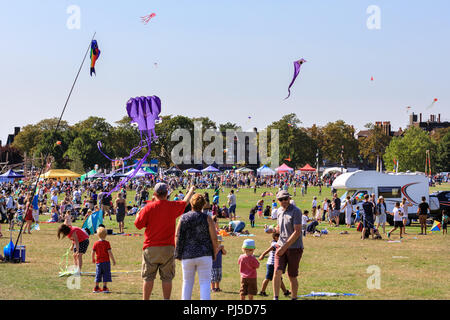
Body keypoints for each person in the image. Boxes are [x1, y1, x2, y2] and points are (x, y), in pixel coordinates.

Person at [134, 183, 195, 300]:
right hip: (168, 247)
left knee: (148, 277)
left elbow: (138, 225)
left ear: (155, 194)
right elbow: (185, 202)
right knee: (167, 278)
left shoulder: (148, 207)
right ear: (167, 194)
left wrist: (138, 215)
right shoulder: (172, 206)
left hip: (151, 247)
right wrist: (191, 190)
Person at [175, 193, 218, 300]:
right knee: (205, 283)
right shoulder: (207, 218)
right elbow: (214, 238)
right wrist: (215, 251)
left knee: (187, 283)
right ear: (203, 204)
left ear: (191, 203)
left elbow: (177, 235)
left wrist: (178, 252)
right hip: (205, 254)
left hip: (187, 254)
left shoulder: (183, 218)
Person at [271, 190, 303, 300]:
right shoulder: (279, 211)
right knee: (277, 272)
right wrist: (272, 230)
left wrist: (284, 247)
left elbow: (297, 231)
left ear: (289, 199)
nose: (284, 201)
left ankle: (294, 298)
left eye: (286, 198)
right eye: (281, 199)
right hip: (280, 246)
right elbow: (279, 228)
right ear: (278, 201)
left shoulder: (296, 211)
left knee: (292, 275)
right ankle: (275, 298)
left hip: (294, 248)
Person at [258, 232, 290, 297]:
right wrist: (262, 255)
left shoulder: (276, 243)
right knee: (268, 278)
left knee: (279, 279)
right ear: (276, 237)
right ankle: (262, 291)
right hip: (272, 264)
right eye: (280, 237)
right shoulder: (275, 244)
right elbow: (268, 250)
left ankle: (285, 292)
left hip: (275, 263)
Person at [92, 226, 116, 293]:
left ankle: (96, 287)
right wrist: (113, 260)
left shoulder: (95, 243)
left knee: (98, 274)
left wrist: (93, 258)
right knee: (106, 274)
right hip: (106, 262)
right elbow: (110, 252)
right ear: (106, 235)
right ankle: (104, 287)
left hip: (98, 262)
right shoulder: (107, 243)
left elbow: (93, 252)